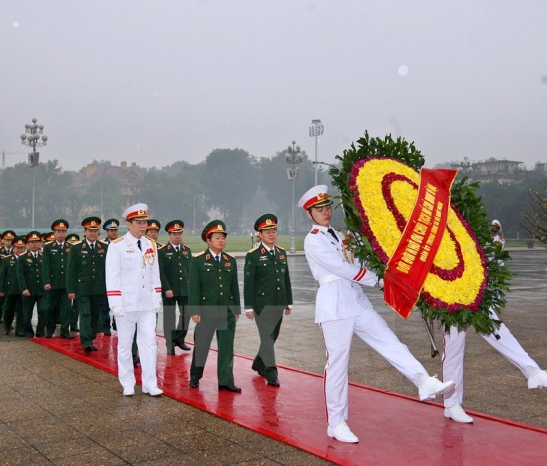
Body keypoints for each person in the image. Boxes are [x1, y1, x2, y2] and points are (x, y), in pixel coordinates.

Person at [298, 185, 455, 443]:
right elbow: (342, 268)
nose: (325, 212)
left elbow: (361, 260)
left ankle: (423, 381)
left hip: (356, 299)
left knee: (390, 341)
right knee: (338, 365)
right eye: (319, 209)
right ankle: (336, 423)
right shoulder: (313, 239)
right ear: (309, 214)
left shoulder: (342, 235)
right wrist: (382, 281)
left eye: (327, 207)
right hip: (334, 303)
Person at [442, 218, 547, 424]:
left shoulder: (465, 221)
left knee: (496, 330)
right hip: (446, 293)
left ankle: (532, 370)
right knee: (454, 348)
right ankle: (452, 403)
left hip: (470, 288)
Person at [105, 203, 163, 397]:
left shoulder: (151, 244)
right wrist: (115, 304)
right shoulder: (117, 246)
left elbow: (154, 274)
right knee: (125, 344)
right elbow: (112, 277)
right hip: (126, 304)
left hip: (147, 303)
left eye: (144, 222)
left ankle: (150, 383)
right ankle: (128, 382)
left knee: (149, 343)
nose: (143, 226)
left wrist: (157, 299)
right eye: (138, 222)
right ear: (128, 224)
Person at [188, 220, 242, 393]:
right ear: (208, 240)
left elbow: (234, 287)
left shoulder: (229, 261)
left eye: (223, 238)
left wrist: (236, 309)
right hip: (206, 311)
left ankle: (226, 381)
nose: (221, 241)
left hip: (226, 311)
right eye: (217, 238)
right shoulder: (198, 261)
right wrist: (194, 310)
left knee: (227, 347)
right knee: (202, 345)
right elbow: (194, 287)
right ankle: (195, 377)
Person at [243, 214, 292, 387]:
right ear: (260, 234)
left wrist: (289, 302)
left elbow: (285, 279)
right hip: (261, 304)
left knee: (273, 335)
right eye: (267, 231)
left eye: (274, 231)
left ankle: (259, 362)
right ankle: (271, 372)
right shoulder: (254, 255)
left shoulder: (281, 253)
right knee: (267, 337)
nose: (271, 234)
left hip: (278, 302)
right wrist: (248, 307)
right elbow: (249, 283)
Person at [67, 217, 108, 353]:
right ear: (84, 232)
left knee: (95, 315)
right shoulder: (76, 248)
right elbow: (71, 271)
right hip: (82, 288)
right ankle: (86, 342)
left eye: (95, 230)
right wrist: (71, 290)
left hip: (98, 288)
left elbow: (108, 270)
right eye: (90, 230)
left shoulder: (105, 247)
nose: (92, 233)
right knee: (85, 314)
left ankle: (90, 336)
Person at [158, 219, 192, 355]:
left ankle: (179, 338)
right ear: (169, 235)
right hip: (169, 290)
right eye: (174, 234)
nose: (177, 236)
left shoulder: (186, 251)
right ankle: (169, 344)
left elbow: (189, 271)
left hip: (184, 289)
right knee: (169, 318)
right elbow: (161, 272)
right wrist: (166, 288)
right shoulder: (162, 251)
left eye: (180, 233)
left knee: (186, 315)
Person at [41, 219, 73, 338]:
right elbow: (45, 266)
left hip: (66, 284)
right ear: (54, 233)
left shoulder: (71, 247)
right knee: (51, 307)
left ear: (66, 233)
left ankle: (65, 330)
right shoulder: (48, 247)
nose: (61, 234)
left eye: (63, 231)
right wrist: (46, 282)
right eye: (58, 231)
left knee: (66, 309)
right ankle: (50, 328)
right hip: (53, 284)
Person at [16, 231, 45, 338]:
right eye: (32, 242)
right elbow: (20, 274)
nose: (35, 244)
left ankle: (40, 332)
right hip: (29, 290)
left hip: (42, 290)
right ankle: (29, 332)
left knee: (43, 311)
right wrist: (24, 288)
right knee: (27, 313)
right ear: (28, 244)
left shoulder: (44, 255)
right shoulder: (23, 257)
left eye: (37, 242)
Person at [0, 236, 27, 335]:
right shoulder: (7, 259)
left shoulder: (27, 258)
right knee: (8, 309)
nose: (20, 250)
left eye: (22, 248)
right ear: (13, 248)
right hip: (10, 290)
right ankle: (7, 326)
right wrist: (1, 289)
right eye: (17, 248)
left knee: (21, 311)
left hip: (22, 290)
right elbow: (2, 276)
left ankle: (20, 330)